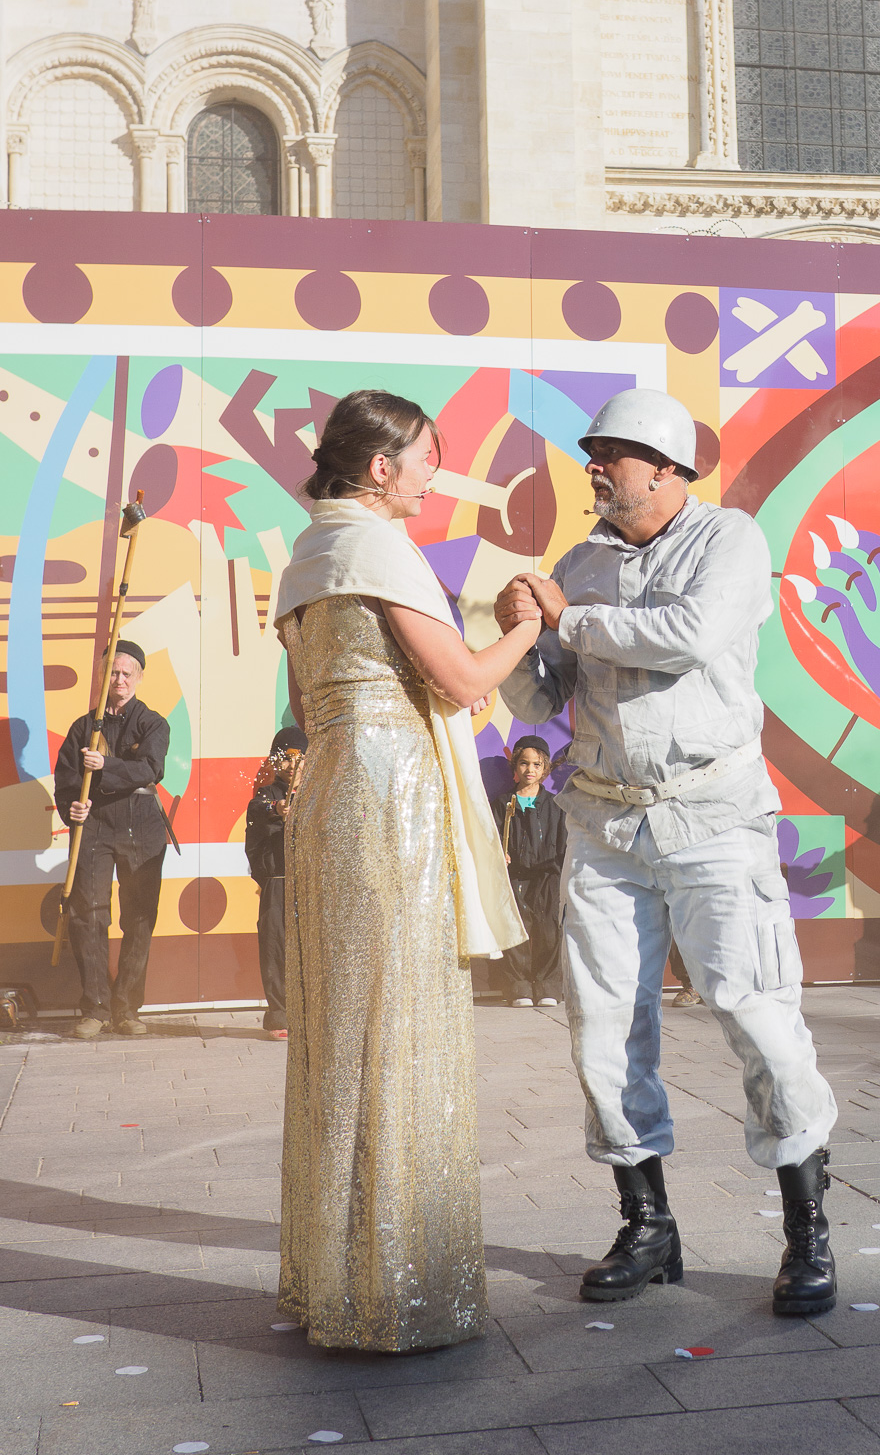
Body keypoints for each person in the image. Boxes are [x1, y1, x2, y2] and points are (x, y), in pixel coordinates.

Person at [495, 388, 839, 1317]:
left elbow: (687, 638)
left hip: (715, 816)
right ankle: (647, 1225)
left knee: (756, 1012)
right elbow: (538, 701)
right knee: (601, 1028)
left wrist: (568, 617)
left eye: (614, 452)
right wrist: (518, 629)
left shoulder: (730, 540)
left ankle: (807, 1231)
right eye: (594, 452)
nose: (596, 466)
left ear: (669, 467)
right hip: (605, 823)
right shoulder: (583, 562)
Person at [273, 388, 539, 1352]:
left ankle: (330, 1279)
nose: (437, 471)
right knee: (398, 1027)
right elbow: (465, 684)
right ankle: (396, 1290)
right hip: (391, 803)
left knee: (341, 1036)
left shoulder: (310, 550)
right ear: (380, 467)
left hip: (334, 792)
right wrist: (531, 626)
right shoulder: (375, 547)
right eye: (428, 456)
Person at [54, 640, 172, 1040]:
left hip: (142, 826)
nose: (119, 680)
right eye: (112, 673)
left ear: (138, 677)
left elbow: (150, 769)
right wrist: (73, 806)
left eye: (126, 673)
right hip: (96, 826)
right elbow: (68, 778)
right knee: (88, 913)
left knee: (139, 917)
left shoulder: (154, 723)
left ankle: (127, 1008)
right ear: (102, 677)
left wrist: (106, 765)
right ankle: (95, 1008)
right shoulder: (82, 728)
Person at [490, 735, 566, 1007]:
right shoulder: (503, 803)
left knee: (547, 929)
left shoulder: (556, 804)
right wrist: (501, 853)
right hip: (515, 876)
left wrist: (558, 866)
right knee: (516, 928)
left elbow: (563, 840)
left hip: (547, 875)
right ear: (515, 766)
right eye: (524, 763)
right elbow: (494, 836)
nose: (530, 770)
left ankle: (547, 986)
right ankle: (518, 986)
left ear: (545, 768)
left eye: (536, 764)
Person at [244, 725, 307, 1038]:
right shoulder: (267, 796)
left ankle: (309, 1014)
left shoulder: (314, 794)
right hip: (278, 881)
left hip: (308, 884)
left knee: (309, 949)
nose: (293, 765)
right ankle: (279, 1015)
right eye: (287, 758)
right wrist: (277, 809)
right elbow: (256, 813)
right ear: (276, 761)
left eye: (300, 759)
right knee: (275, 946)